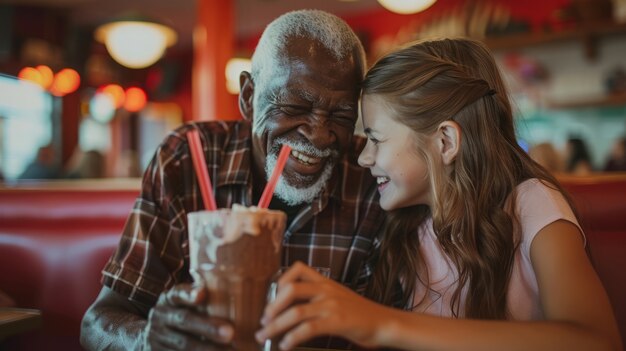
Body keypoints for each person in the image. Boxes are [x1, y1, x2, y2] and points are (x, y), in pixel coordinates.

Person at [256, 38, 623, 351]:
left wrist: (383, 324)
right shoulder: (407, 226)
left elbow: (597, 340)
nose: (364, 157)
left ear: (445, 141)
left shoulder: (532, 204)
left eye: (376, 139)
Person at [80, 10, 384, 350]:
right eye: (295, 106)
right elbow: (99, 322)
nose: (319, 135)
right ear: (248, 97)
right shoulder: (188, 161)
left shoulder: (373, 178)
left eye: (341, 115)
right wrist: (147, 341)